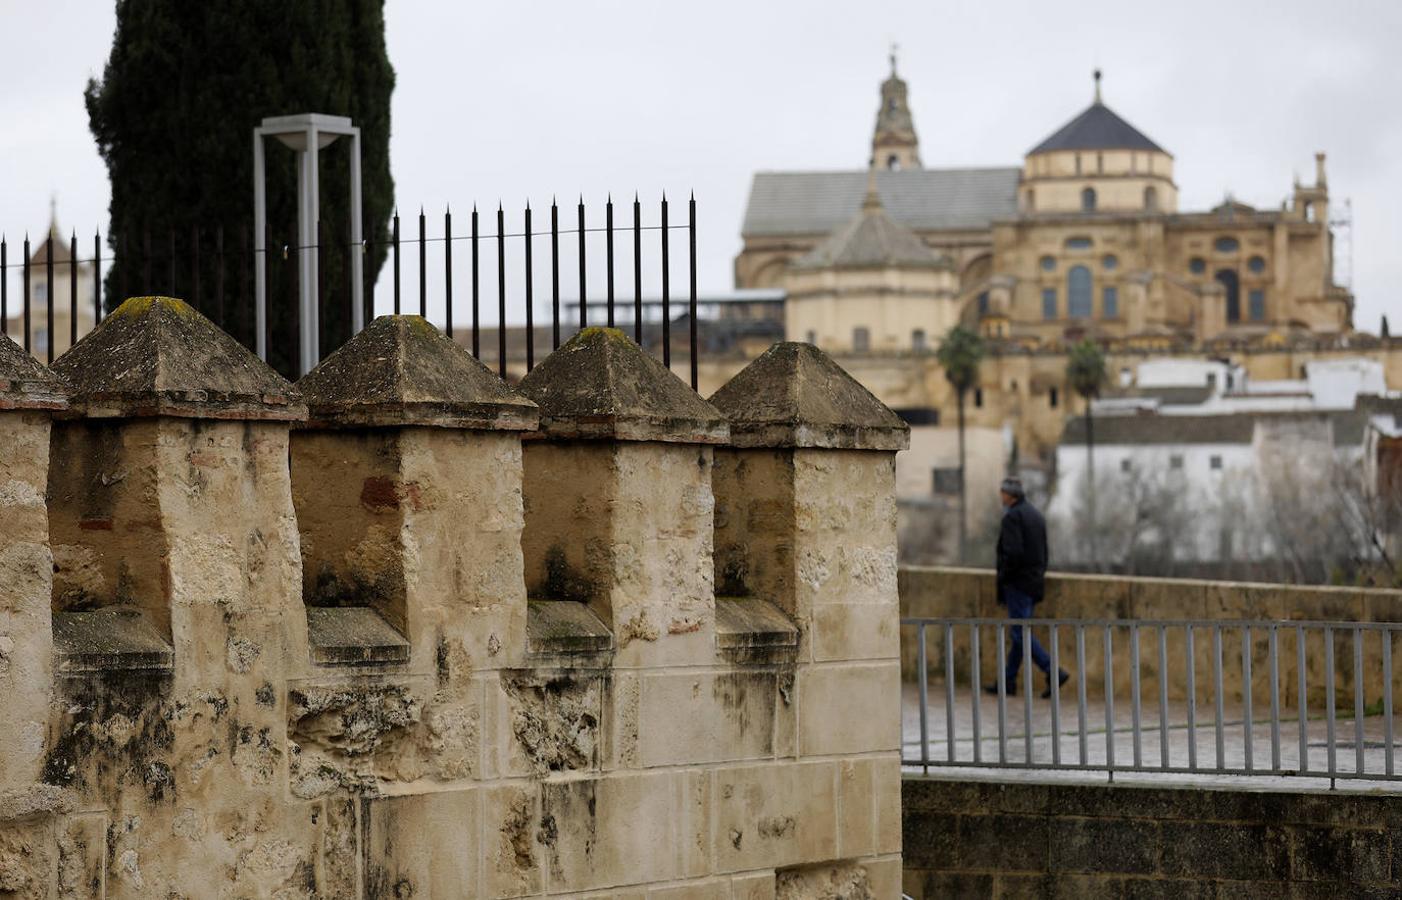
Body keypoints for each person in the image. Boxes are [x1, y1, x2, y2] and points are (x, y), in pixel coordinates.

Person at [985, 477, 1069, 699]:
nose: (1000, 496)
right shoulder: (1035, 515)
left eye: (1003, 492)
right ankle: (1008, 680)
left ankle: (1053, 670)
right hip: (1033, 582)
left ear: (1010, 495)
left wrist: (1004, 577)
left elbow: (1013, 553)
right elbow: (1043, 553)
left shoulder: (1013, 517)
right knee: (1020, 633)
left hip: (1018, 584)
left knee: (1020, 632)